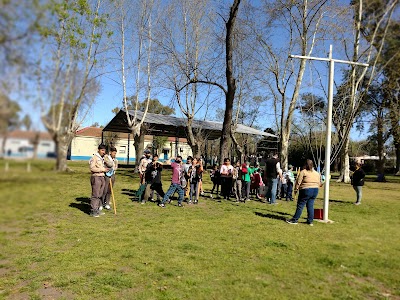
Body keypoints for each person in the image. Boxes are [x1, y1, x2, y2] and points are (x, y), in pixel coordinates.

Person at [286, 159, 322, 226]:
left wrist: (295, 190)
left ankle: (295, 219)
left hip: (306, 189)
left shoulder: (303, 172)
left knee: (300, 205)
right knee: (310, 205)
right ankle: (310, 221)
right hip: (315, 190)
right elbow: (319, 182)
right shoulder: (317, 173)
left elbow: (298, 182)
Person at [89, 144, 109, 217]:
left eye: (104, 150)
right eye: (102, 150)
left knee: (100, 194)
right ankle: (93, 210)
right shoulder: (94, 158)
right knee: (95, 194)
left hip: (102, 177)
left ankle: (97, 209)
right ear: (98, 150)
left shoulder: (103, 158)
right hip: (96, 177)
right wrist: (102, 169)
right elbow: (92, 168)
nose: (103, 152)